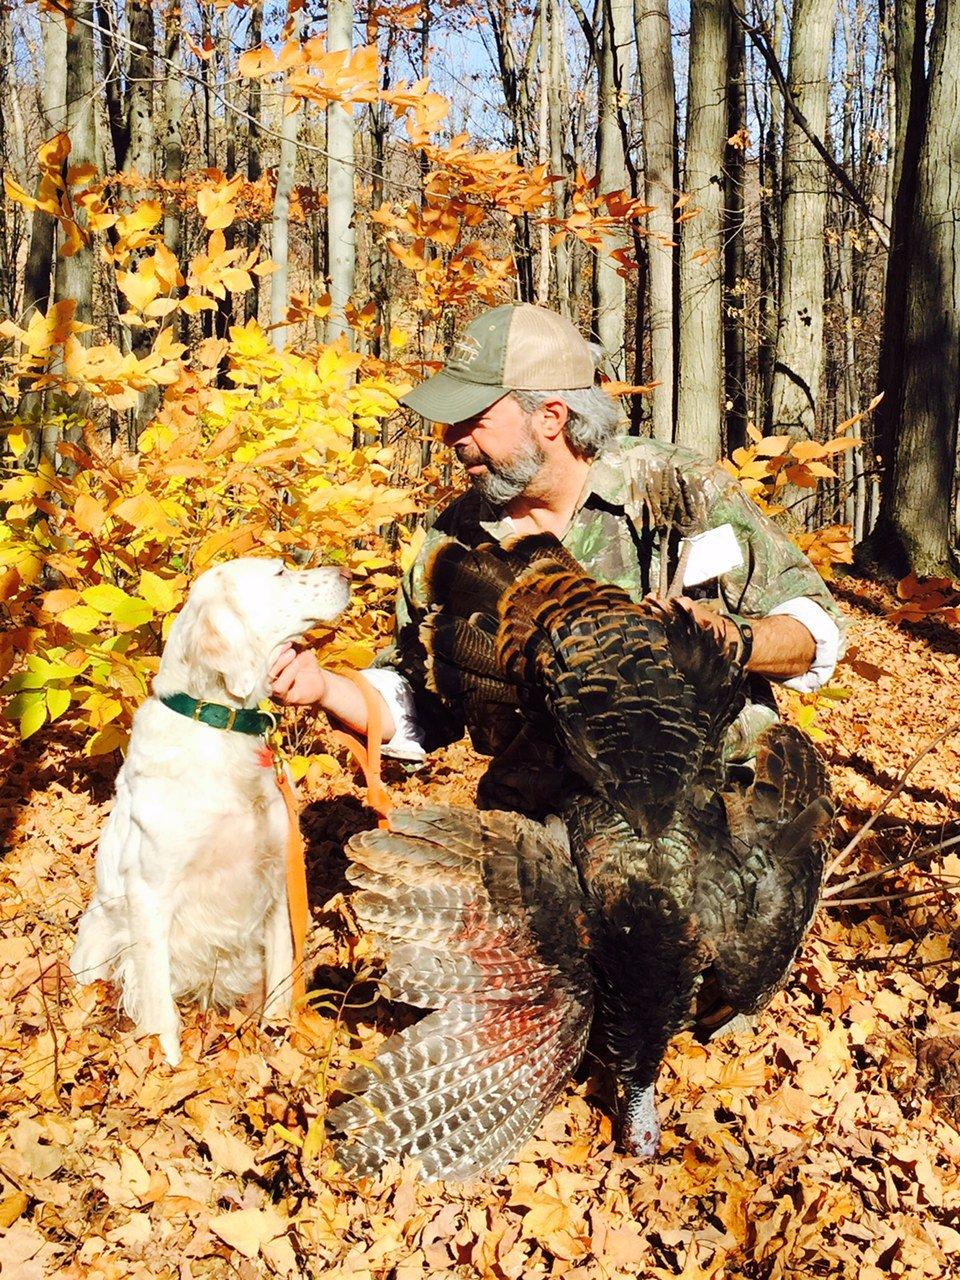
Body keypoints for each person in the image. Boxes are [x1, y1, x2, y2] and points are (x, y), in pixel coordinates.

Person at [270, 303, 845, 806]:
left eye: (475, 418)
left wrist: (725, 641)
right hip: (553, 832)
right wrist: (322, 686)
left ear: (550, 416)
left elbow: (813, 632)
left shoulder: (679, 489)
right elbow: (417, 696)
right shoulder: (458, 537)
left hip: (716, 813)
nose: (451, 437)